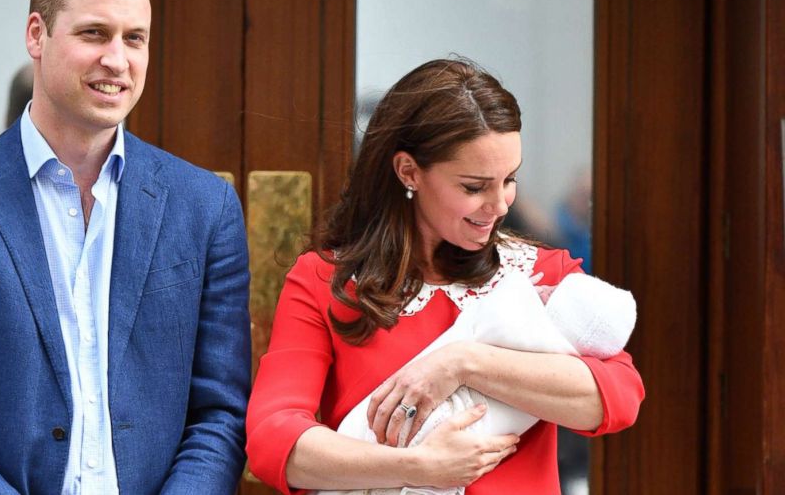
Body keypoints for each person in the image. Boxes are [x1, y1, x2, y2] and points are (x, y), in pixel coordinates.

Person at [0, 0, 251, 495]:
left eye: (135, 38)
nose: (118, 60)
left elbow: (221, 411)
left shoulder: (205, 207)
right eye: (95, 33)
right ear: (36, 34)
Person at [245, 58, 644, 494]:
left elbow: (618, 398)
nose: (501, 204)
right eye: (474, 187)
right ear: (408, 171)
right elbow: (273, 440)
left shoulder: (537, 274)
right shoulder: (325, 279)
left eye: (509, 179)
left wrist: (462, 364)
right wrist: (415, 467)